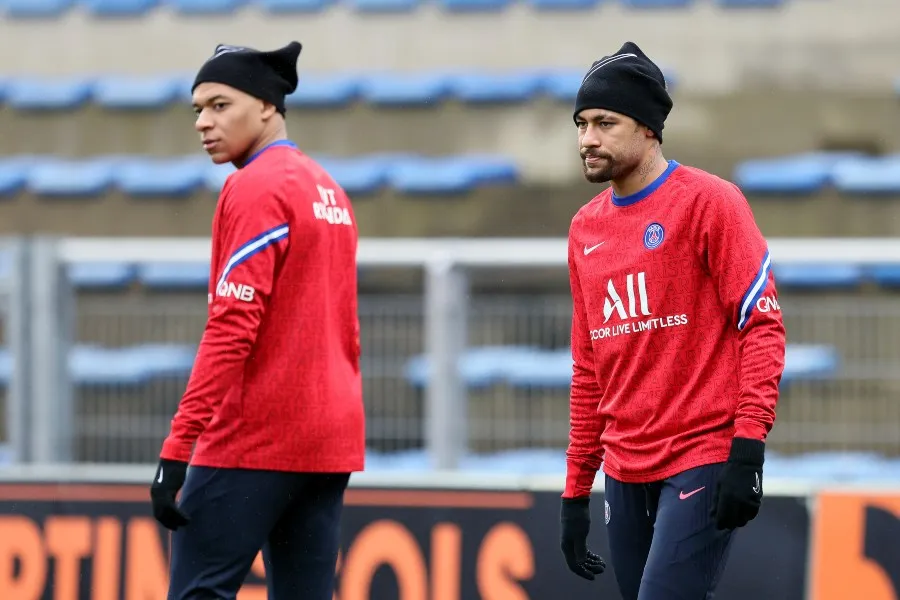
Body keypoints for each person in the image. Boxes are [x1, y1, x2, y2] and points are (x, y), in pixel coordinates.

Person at [559, 41, 787, 600]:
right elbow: (589, 368)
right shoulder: (583, 229)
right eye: (582, 123)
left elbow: (761, 326)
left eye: (605, 123)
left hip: (702, 455)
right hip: (624, 467)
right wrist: (574, 491)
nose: (587, 139)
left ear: (648, 129)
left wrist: (748, 445)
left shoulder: (711, 203)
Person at [149, 41, 365, 600]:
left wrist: (179, 444)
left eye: (219, 105)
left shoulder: (255, 186)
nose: (203, 122)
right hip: (326, 441)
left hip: (257, 438)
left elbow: (232, 326)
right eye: (197, 109)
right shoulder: (328, 190)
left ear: (267, 105)